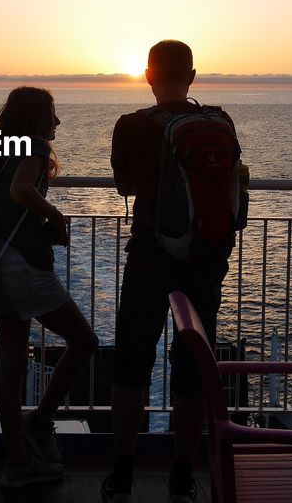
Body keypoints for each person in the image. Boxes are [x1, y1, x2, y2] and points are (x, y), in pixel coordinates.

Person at [102, 41, 238, 503]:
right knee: (194, 366)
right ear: (193, 76)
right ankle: (182, 473)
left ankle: (122, 472)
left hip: (149, 256)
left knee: (132, 364)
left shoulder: (133, 125)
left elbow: (124, 184)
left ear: (147, 75)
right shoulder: (219, 122)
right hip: (204, 259)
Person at [0, 86, 100, 489]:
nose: (57, 122)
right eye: (52, 113)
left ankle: (17, 461)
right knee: (84, 341)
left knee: (12, 362)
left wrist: (40, 227)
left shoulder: (3, 148)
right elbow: (21, 191)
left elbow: (8, 206)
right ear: (35, 119)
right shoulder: (35, 146)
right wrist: (55, 215)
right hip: (26, 271)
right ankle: (42, 421)